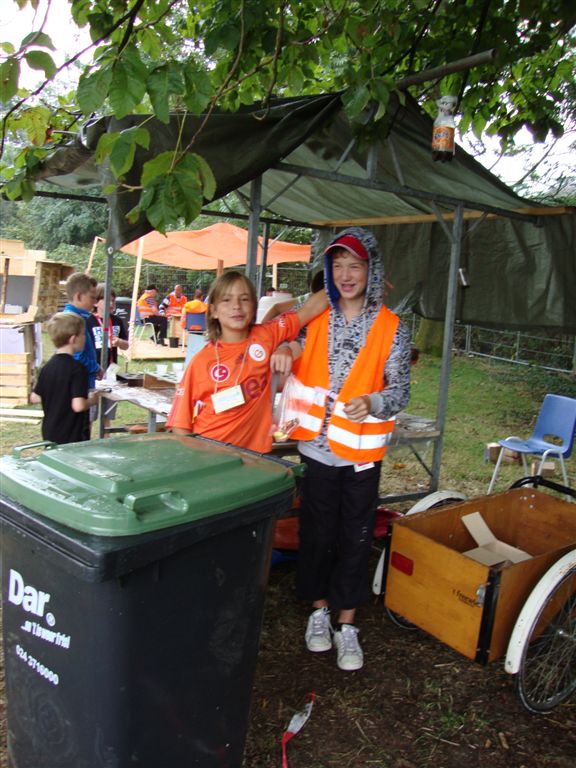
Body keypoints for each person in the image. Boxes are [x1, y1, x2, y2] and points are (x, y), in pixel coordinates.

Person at [290, 227, 411, 672]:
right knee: (317, 534)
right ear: (328, 270)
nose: (345, 274)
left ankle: (348, 623)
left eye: (355, 265)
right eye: (337, 265)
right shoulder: (316, 315)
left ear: (371, 269)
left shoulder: (392, 326)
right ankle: (319, 612)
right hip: (317, 451)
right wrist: (285, 347)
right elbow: (289, 345)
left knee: (356, 538)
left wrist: (374, 401)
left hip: (361, 456)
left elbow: (400, 391)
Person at [167, 270, 328, 453]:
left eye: (244, 299)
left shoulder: (266, 335)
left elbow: (309, 309)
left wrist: (338, 277)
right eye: (226, 300)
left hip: (255, 458)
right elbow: (180, 424)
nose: (236, 306)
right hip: (210, 454)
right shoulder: (201, 362)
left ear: (253, 306)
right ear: (213, 311)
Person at [30, 313, 102, 444]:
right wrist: (93, 400)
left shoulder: (47, 367)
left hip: (50, 431)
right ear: (73, 339)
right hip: (72, 435)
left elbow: (35, 397)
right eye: (83, 334)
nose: (85, 338)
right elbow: (78, 406)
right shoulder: (78, 369)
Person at [86, 284, 129, 428]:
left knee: (107, 415)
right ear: (96, 302)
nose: (111, 304)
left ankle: (107, 442)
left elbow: (126, 345)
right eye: (107, 300)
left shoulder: (117, 321)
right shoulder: (89, 322)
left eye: (113, 301)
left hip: (111, 372)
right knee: (90, 415)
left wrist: (119, 342)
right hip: (93, 374)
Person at [62, 272, 102, 388]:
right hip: (79, 384)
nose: (94, 302)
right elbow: (76, 355)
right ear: (78, 296)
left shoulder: (78, 318)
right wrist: (96, 367)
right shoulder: (73, 320)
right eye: (92, 297)